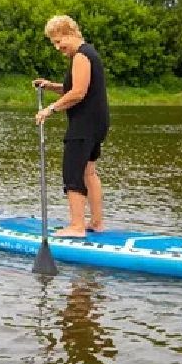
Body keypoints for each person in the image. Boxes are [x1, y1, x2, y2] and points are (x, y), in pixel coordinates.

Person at [33, 14, 110, 237]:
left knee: (72, 172)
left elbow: (78, 93)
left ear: (70, 33)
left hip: (84, 124)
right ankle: (96, 223)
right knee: (89, 172)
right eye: (54, 43)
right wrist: (50, 86)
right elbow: (73, 86)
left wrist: (50, 109)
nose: (58, 47)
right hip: (97, 122)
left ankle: (77, 227)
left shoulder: (81, 56)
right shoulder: (89, 53)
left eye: (59, 41)